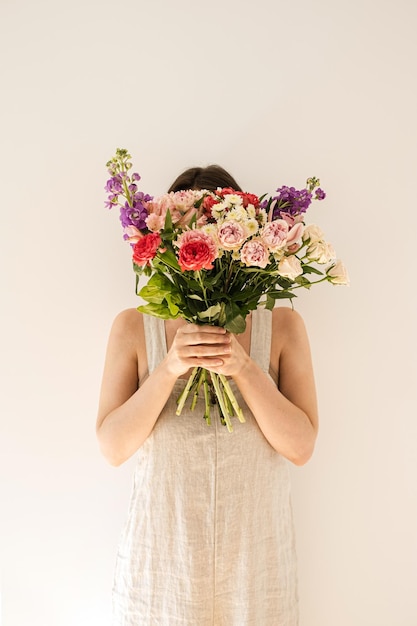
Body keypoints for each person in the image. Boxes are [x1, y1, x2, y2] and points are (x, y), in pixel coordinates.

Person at [96, 164, 319, 626]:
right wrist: (171, 367)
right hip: (161, 567)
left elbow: (301, 446)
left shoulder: (284, 326)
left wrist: (242, 366)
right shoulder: (133, 327)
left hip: (255, 568)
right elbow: (112, 447)